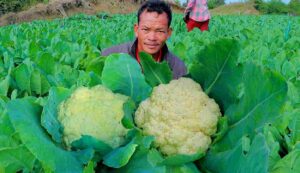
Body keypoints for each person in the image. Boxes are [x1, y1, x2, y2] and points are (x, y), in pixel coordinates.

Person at [101, 0, 187, 79]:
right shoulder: (108, 57)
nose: (152, 38)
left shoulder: (178, 69)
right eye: (146, 29)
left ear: (168, 33)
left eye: (159, 31)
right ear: (136, 30)